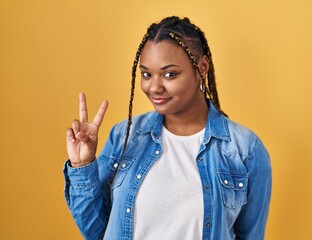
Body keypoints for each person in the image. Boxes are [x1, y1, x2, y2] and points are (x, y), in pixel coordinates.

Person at [63, 16, 272, 240]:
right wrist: (82, 165)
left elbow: (251, 236)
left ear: (202, 68)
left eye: (169, 74)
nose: (154, 87)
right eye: (146, 74)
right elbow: (96, 232)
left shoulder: (245, 150)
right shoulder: (124, 136)